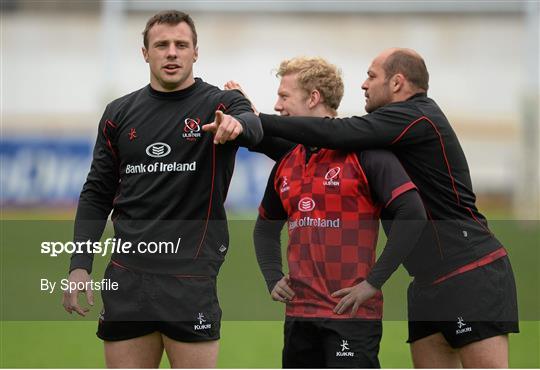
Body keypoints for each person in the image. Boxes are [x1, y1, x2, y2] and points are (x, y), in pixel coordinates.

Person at [213, 48, 519, 368]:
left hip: (469, 272)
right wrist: (245, 124)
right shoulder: (382, 134)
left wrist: (258, 119)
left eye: (372, 77)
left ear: (398, 83)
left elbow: (337, 132)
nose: (363, 85)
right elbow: (306, 148)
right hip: (425, 283)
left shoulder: (417, 115)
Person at [62, 10, 262, 368]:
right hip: (127, 278)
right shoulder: (118, 114)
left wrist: (237, 125)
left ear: (195, 53)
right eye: (162, 45)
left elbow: (252, 124)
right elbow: (96, 193)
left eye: (181, 45)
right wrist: (80, 265)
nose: (171, 52)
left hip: (190, 278)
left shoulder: (219, 104)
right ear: (145, 53)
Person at [224, 57, 427, 368]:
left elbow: (412, 213)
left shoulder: (366, 152)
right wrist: (271, 275)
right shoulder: (287, 160)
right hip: (299, 317)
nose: (277, 106)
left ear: (314, 97)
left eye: (284, 96)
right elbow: (265, 228)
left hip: (351, 316)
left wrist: (373, 282)